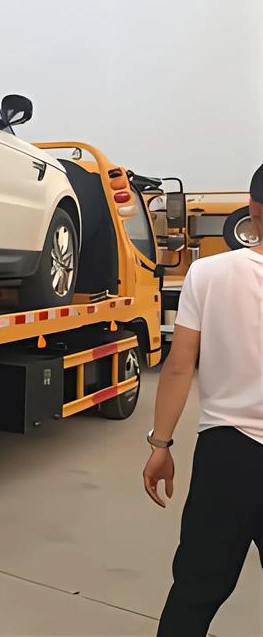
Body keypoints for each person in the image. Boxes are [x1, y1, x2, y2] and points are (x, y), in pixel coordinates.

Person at [144, 162, 263, 637]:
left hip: (226, 453)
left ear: (252, 210)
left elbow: (179, 365)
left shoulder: (208, 273)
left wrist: (160, 444)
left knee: (195, 591)